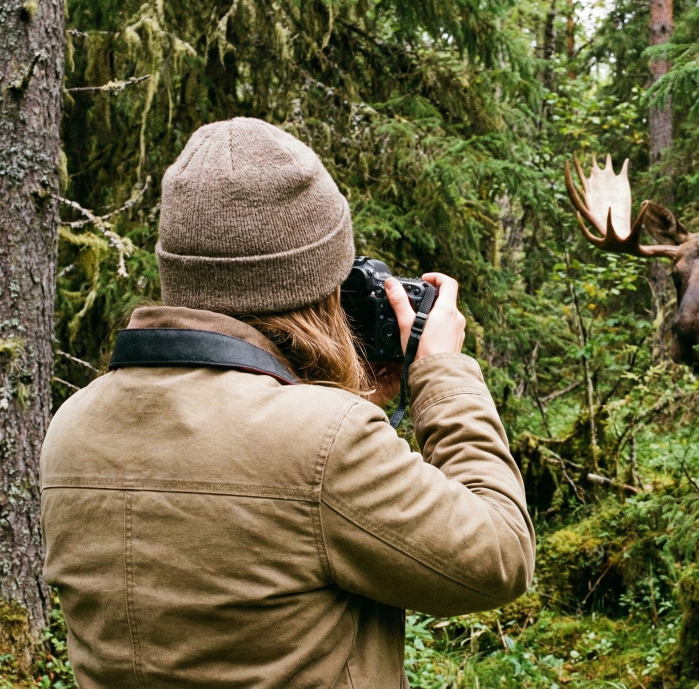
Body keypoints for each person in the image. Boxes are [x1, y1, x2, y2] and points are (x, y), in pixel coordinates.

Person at [40, 117, 535, 688]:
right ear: (321, 283)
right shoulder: (325, 442)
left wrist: (358, 391)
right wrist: (440, 373)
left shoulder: (73, 424)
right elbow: (499, 555)